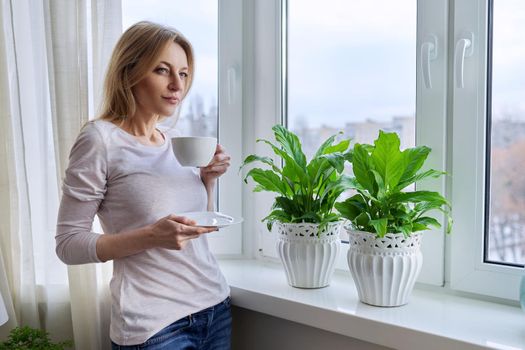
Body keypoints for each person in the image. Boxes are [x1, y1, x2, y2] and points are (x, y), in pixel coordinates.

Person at [56, 21, 232, 349]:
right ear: (130, 72)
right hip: (154, 327)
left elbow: (197, 229)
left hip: (214, 308)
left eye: (183, 74)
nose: (176, 85)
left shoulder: (177, 141)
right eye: (162, 70)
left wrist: (208, 182)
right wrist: (151, 236)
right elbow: (68, 244)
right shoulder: (100, 140)